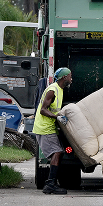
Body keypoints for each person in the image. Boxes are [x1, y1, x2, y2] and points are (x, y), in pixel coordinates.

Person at [33, 67, 73, 195]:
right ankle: (50, 184)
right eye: (70, 76)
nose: (71, 78)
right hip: (44, 127)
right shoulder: (52, 90)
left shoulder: (59, 89)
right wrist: (58, 117)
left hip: (49, 127)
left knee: (58, 153)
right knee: (57, 152)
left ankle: (52, 183)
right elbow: (43, 109)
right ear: (64, 77)